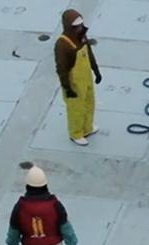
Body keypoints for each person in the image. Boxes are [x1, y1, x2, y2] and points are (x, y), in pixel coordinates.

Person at [5, 163, 78, 245]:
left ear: (27, 186)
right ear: (45, 185)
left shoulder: (20, 206)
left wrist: (13, 244)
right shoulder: (55, 204)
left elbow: (13, 231)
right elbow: (66, 228)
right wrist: (72, 244)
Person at [54, 9, 102, 146]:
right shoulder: (62, 45)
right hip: (73, 83)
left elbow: (89, 54)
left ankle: (87, 128)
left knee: (89, 103)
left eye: (81, 25)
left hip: (86, 78)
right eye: (76, 26)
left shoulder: (81, 36)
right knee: (76, 109)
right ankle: (75, 134)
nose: (79, 28)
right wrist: (67, 87)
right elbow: (61, 69)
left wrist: (96, 71)